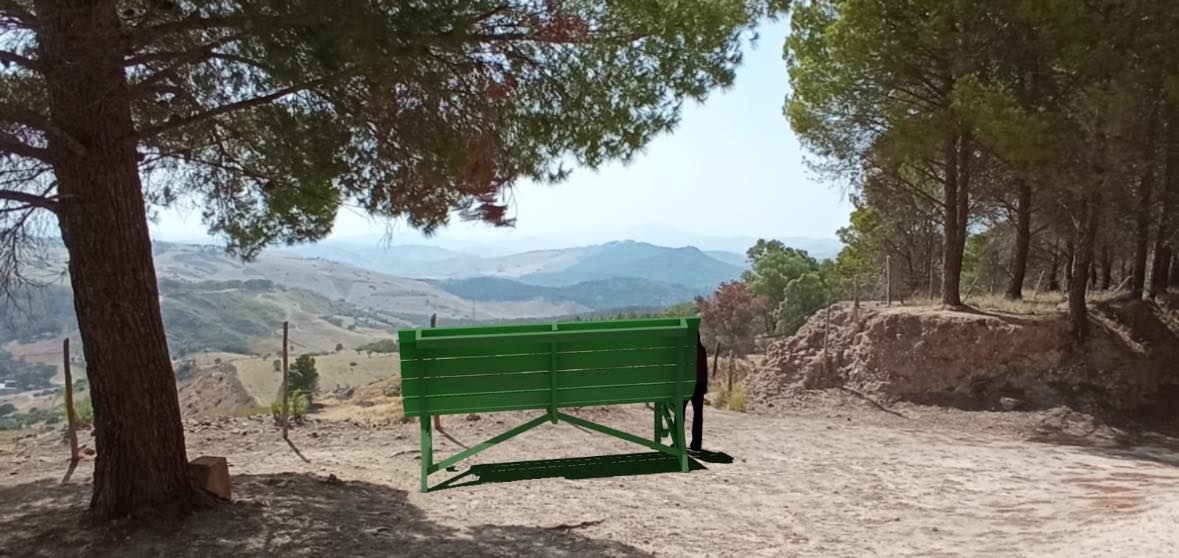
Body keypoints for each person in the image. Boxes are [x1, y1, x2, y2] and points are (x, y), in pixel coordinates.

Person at [683, 337, 708, 452]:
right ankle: (696, 444)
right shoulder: (701, 349)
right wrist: (705, 385)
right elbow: (704, 369)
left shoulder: (684, 349)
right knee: (698, 415)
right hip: (699, 385)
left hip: (684, 385)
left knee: (680, 413)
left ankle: (678, 442)